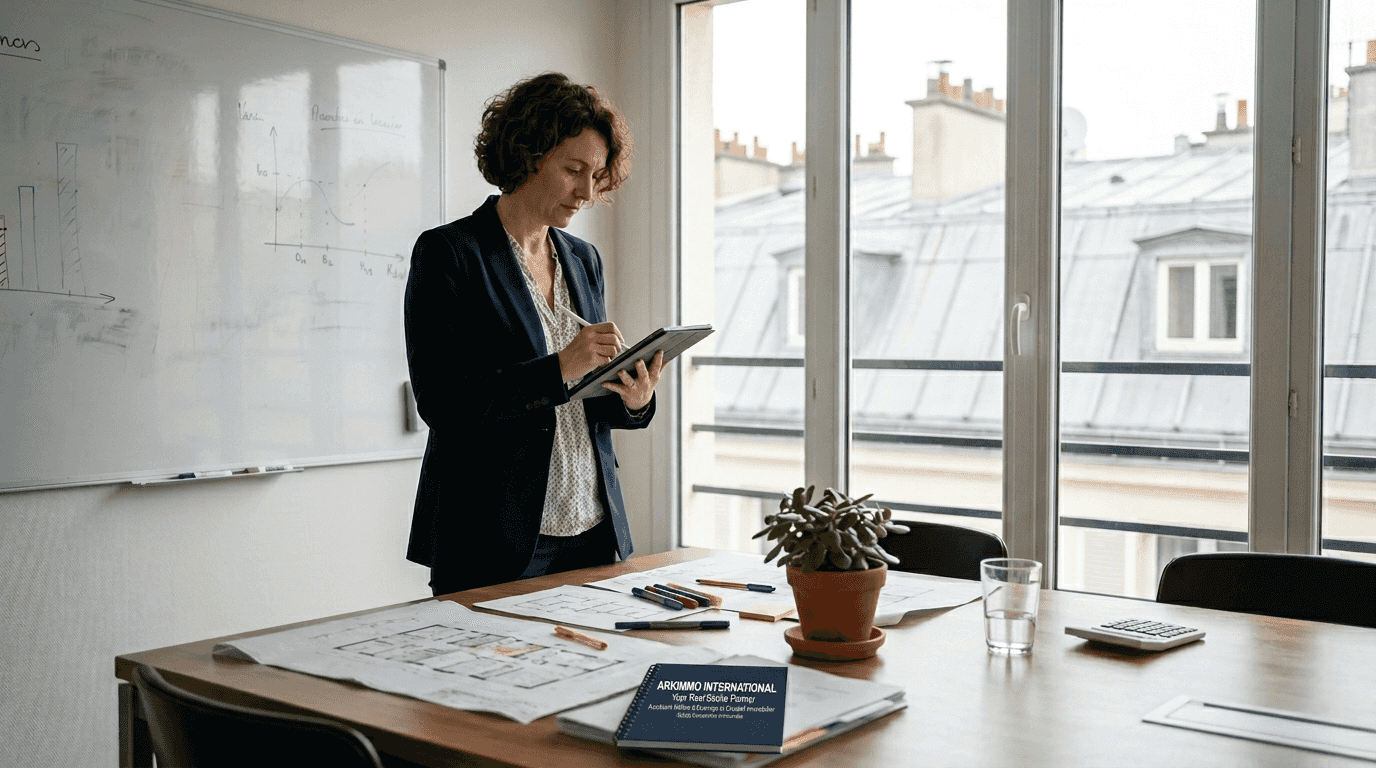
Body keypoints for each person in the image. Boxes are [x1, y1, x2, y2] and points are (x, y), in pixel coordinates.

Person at [403, 73, 664, 596]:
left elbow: (587, 400)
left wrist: (634, 399)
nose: (588, 192)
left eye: (596, 174)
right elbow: (442, 402)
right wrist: (559, 368)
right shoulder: (450, 254)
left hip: (590, 529)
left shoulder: (582, 259)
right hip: (490, 537)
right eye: (574, 170)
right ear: (530, 153)